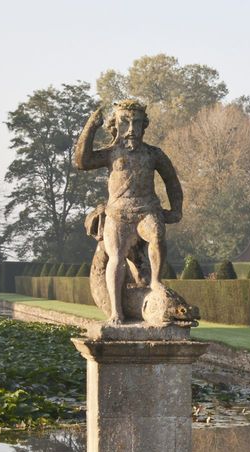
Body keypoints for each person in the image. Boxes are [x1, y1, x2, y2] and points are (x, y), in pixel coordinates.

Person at [73, 99, 182, 324]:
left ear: (144, 126)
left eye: (137, 124)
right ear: (116, 125)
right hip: (118, 214)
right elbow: (82, 162)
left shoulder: (153, 154)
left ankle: (155, 281)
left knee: (157, 235)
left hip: (146, 209)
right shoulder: (111, 153)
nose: (131, 130)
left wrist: (176, 209)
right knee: (117, 257)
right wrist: (90, 128)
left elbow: (172, 181)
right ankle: (116, 310)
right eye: (125, 123)